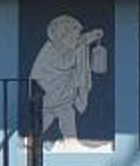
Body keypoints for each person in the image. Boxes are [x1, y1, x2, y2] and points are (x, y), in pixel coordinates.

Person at [30, 14, 108, 146]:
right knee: (47, 120)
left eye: (77, 35)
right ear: (63, 35)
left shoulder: (64, 45)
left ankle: (70, 143)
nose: (76, 37)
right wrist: (82, 48)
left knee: (66, 118)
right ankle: (33, 141)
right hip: (50, 95)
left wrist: (93, 36)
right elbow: (66, 61)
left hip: (61, 97)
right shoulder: (52, 50)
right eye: (74, 35)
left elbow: (79, 42)